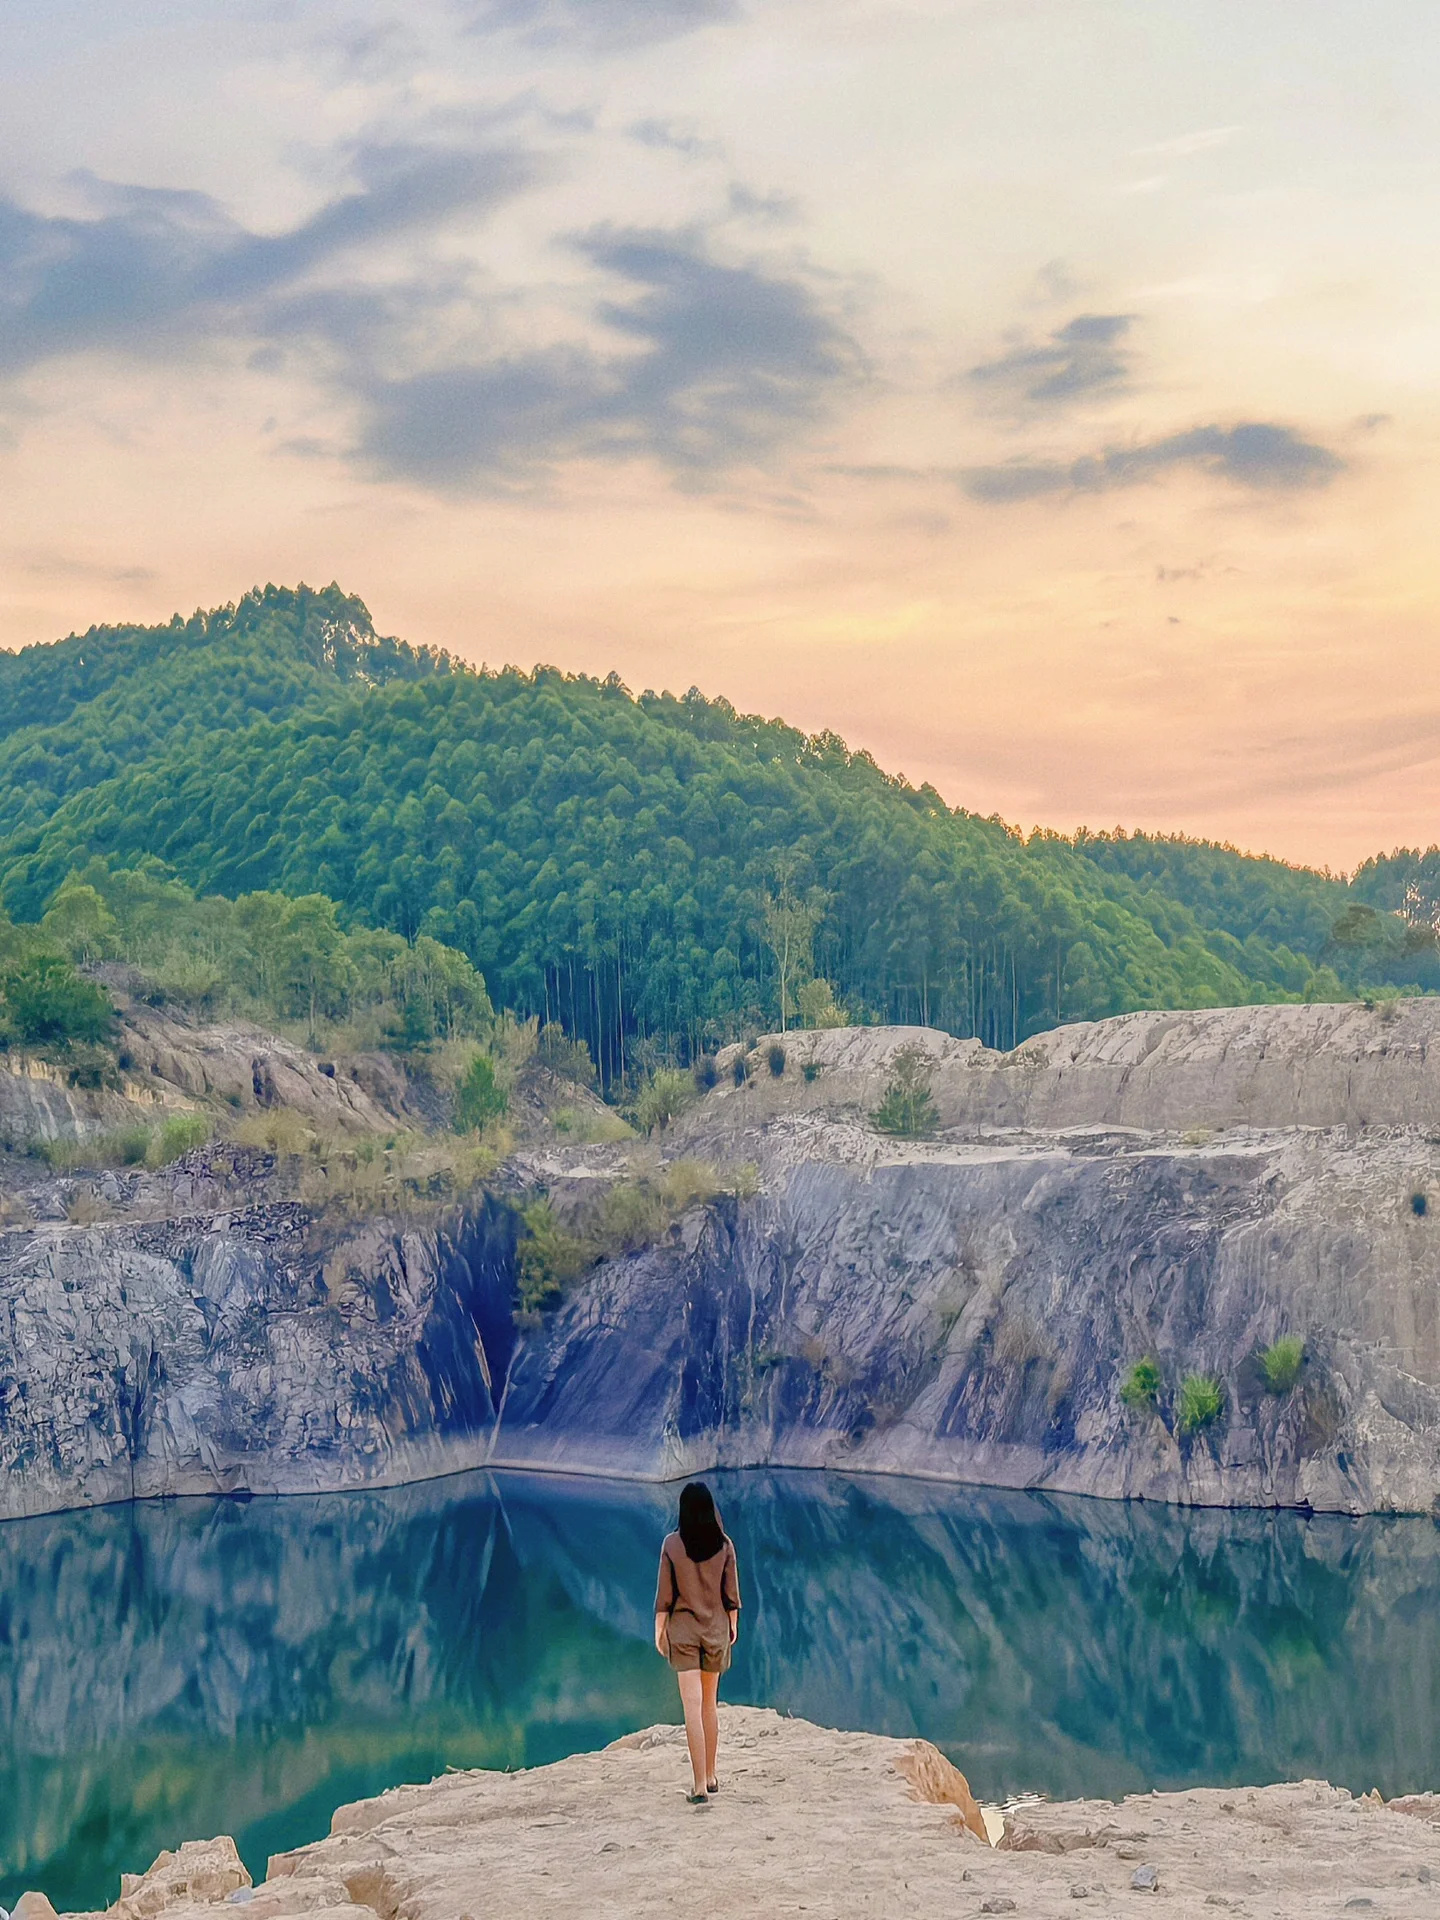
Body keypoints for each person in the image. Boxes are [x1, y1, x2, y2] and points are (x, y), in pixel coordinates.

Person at [654, 1481, 741, 1804]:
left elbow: (665, 1596)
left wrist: (660, 1630)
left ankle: (698, 1786)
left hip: (686, 1635)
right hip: (715, 1632)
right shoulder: (725, 1545)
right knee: (709, 1705)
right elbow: (731, 1596)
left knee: (691, 1708)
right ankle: (712, 1775)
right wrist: (731, 1626)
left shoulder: (672, 1545)